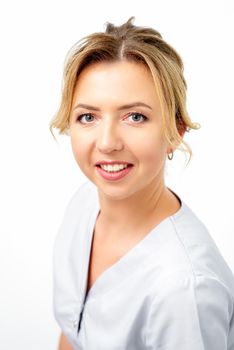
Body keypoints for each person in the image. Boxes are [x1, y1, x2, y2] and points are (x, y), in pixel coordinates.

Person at [50, 17, 234, 350]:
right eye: (88, 116)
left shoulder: (184, 290)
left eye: (135, 116)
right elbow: (71, 334)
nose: (106, 143)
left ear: (176, 132)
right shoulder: (84, 203)